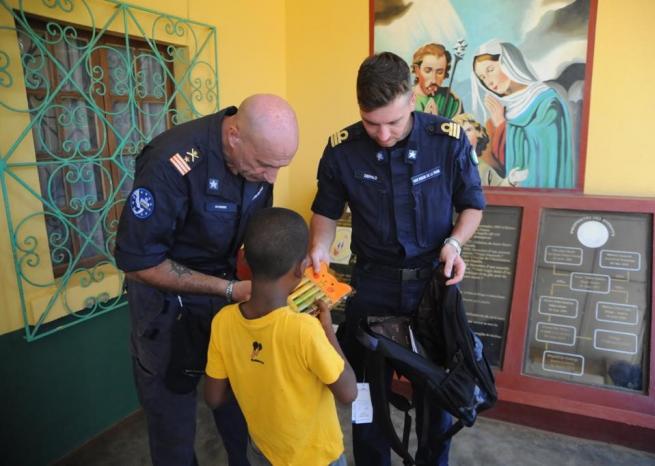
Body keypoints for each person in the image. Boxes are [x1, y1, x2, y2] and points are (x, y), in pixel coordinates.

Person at [309, 52, 485, 466]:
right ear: (359, 109)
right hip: (373, 287)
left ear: (411, 100)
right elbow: (326, 211)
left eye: (394, 122)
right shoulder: (342, 150)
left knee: (437, 396)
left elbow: (472, 205)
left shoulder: (448, 139)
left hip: (432, 284)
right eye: (372, 123)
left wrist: (456, 243)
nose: (384, 134)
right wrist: (318, 247)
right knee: (367, 395)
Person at [114, 94, 299, 466]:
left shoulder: (258, 162)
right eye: (265, 164)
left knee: (240, 409)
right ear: (234, 136)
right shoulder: (170, 162)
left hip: (230, 303)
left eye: (280, 166)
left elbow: (253, 237)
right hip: (166, 311)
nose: (271, 177)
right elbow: (137, 262)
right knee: (173, 426)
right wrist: (228, 289)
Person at [204, 207, 357, 466]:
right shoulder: (306, 329)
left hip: (263, 451)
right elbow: (349, 392)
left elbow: (214, 397)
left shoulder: (223, 321)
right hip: (317, 457)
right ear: (302, 268)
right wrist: (328, 331)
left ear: (246, 261)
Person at [471, 39, 574, 189]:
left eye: (490, 70)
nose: (488, 81)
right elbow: (500, 163)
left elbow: (545, 153)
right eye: (482, 77)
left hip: (541, 190)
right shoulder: (505, 108)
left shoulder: (547, 101)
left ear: (509, 63)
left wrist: (501, 124)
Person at [451, 112, 528, 187]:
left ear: (479, 133)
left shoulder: (484, 168)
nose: (464, 135)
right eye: (459, 132)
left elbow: (499, 188)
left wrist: (510, 180)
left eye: (468, 130)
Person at [412, 43, 463, 118]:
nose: (433, 80)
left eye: (439, 72)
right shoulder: (404, 97)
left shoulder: (452, 101)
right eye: (428, 71)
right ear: (417, 71)